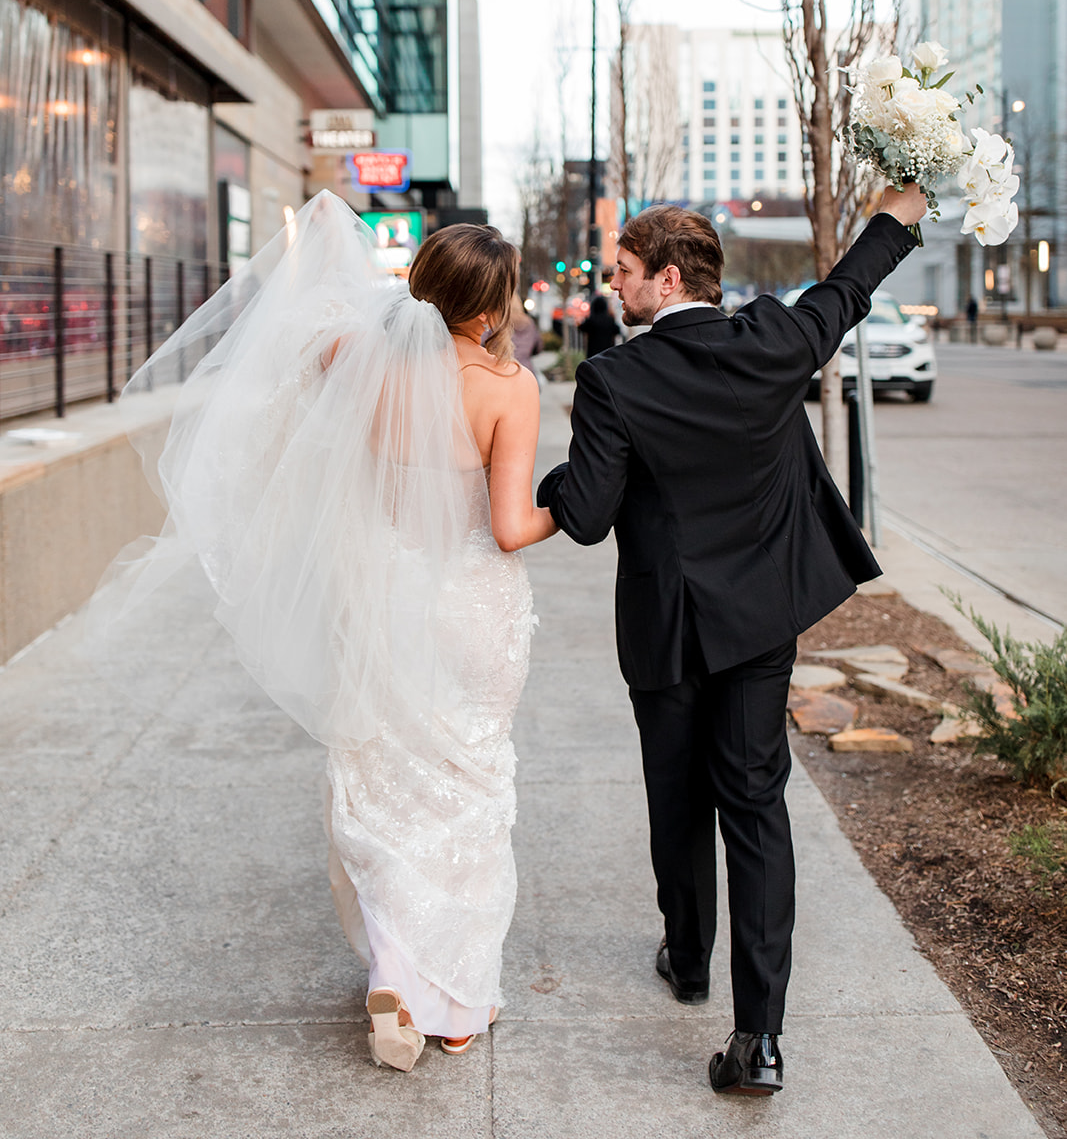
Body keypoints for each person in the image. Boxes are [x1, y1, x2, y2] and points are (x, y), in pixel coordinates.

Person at [87, 194, 556, 1074]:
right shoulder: (508, 389)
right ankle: (451, 1007)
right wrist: (565, 509)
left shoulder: (353, 360)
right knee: (467, 783)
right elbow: (507, 528)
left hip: (377, 594)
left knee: (381, 780)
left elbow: (282, 391)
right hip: (466, 604)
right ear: (492, 312)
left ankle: (394, 969)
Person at [537, 182, 925, 1097]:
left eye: (623, 273)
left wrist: (556, 470)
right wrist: (899, 215)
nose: (613, 284)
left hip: (666, 626)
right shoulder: (776, 342)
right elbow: (847, 287)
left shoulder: (614, 379)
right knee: (754, 809)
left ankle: (689, 955)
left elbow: (585, 517)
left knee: (675, 796)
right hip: (758, 622)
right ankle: (758, 1041)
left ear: (666, 280)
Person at [509, 290, 544, 375]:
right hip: (526, 370)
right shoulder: (529, 323)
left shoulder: (498, 324)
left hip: (505, 370)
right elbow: (538, 346)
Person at [579, 293, 623, 357]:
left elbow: (581, 328)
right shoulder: (610, 320)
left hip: (593, 353)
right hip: (607, 352)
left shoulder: (591, 320)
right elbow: (617, 330)